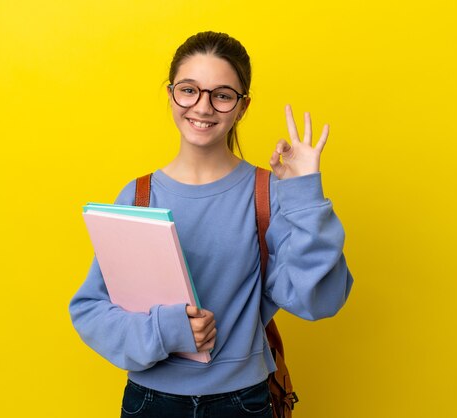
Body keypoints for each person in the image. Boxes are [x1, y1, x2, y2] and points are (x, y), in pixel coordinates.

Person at [69, 31, 354, 418]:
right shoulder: (138, 195)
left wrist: (304, 195)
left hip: (243, 402)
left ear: (242, 106)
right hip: (150, 404)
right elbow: (90, 310)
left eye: (221, 95)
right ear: (171, 94)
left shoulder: (268, 192)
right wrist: (166, 331)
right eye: (189, 90)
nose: (203, 107)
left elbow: (321, 300)